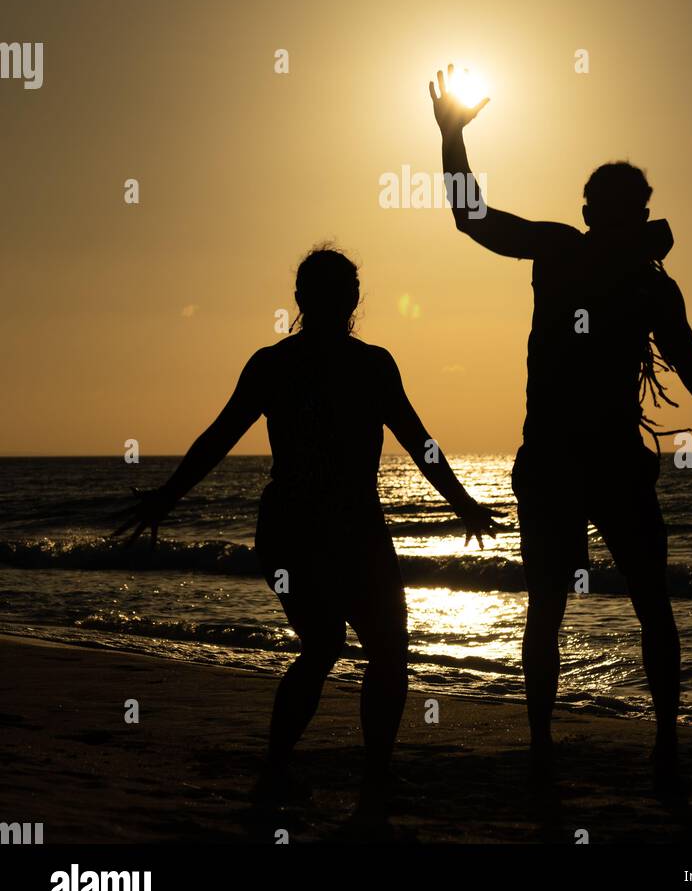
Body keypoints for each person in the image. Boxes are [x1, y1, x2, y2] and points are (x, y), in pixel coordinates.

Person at [429, 64, 692, 791]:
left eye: (618, 204)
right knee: (590, 605)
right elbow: (473, 219)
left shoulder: (623, 273)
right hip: (573, 459)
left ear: (608, 210)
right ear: (605, 210)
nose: (612, 213)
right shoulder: (591, 260)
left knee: (589, 606)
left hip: (591, 459)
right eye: (612, 203)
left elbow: (691, 364)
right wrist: (450, 138)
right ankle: (610, 743)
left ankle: (623, 742)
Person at [114, 243, 500, 800]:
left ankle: (353, 771)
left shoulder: (361, 365)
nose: (334, 301)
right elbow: (221, 437)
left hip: (338, 528)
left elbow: (419, 442)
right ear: (313, 298)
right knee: (346, 648)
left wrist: (462, 503)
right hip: (301, 528)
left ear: (344, 298)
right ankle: (307, 768)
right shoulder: (284, 365)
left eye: (338, 291)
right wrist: (166, 496)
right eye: (327, 291)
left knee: (364, 649)